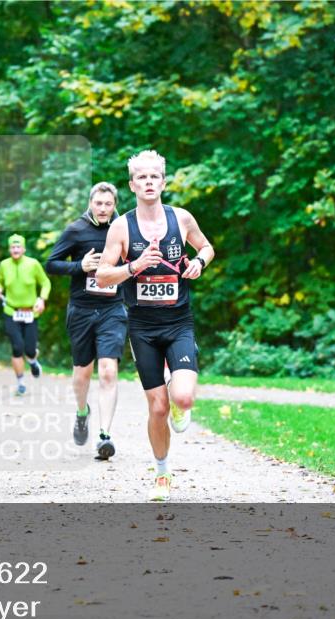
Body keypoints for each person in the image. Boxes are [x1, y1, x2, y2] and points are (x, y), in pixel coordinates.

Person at [95, 150, 215, 501]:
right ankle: (162, 473)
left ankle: (181, 401)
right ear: (132, 185)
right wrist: (133, 267)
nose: (148, 182)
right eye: (141, 178)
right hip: (142, 328)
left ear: (163, 182)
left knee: (182, 396)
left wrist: (198, 263)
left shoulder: (181, 219)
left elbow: (207, 247)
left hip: (179, 322)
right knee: (157, 407)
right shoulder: (121, 227)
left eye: (154, 177)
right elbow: (103, 276)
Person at [45, 182, 126, 460]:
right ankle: (82, 412)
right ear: (91, 203)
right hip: (81, 310)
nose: (103, 209)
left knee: (107, 371)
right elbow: (51, 264)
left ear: (115, 205)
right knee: (82, 375)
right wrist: (80, 266)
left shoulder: (124, 228)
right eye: (99, 204)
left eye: (108, 204)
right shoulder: (76, 230)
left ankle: (105, 435)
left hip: (112, 309)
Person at [0, 234, 51, 396]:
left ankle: (33, 361)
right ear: (9, 249)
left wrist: (42, 299)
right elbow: (0, 280)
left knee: (30, 349)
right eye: (13, 247)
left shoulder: (33, 264)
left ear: (24, 249)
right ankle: (20, 383)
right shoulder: (4, 265)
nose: (16, 249)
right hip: (11, 311)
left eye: (18, 247)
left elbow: (45, 283)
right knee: (17, 347)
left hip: (30, 312)